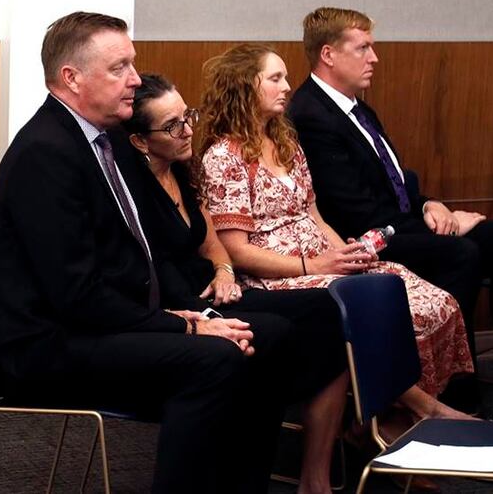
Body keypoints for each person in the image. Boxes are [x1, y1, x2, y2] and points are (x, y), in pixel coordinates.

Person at [0, 11, 301, 493]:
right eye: (119, 68)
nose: (135, 79)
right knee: (213, 358)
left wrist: (182, 313)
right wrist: (185, 323)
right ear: (71, 78)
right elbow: (76, 295)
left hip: (102, 320)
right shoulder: (45, 154)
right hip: (49, 344)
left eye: (132, 64)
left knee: (272, 334)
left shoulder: (101, 139)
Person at [195, 43, 474, 425]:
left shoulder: (286, 142)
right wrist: (316, 263)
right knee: (381, 308)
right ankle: (407, 414)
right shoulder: (224, 157)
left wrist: (347, 252)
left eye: (285, 77)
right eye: (275, 78)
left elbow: (314, 214)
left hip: (323, 258)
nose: (287, 86)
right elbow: (237, 252)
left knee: (426, 296)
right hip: (274, 275)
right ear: (245, 87)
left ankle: (391, 414)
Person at [120, 72, 348, 494]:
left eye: (188, 116)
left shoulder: (182, 169)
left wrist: (224, 272)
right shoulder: (131, 187)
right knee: (270, 337)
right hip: (179, 302)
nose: (189, 129)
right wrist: (202, 309)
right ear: (139, 141)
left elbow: (213, 245)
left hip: (212, 288)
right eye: (173, 126)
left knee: (325, 309)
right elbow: (150, 271)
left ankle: (311, 474)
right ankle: (246, 473)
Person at [288, 6, 493, 341]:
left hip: (398, 223)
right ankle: (450, 381)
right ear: (328, 54)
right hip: (365, 240)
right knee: (461, 253)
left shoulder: (357, 107)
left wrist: (432, 206)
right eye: (362, 48)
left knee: (492, 236)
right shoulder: (312, 116)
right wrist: (448, 229)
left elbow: (395, 183)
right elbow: (357, 213)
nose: (375, 58)